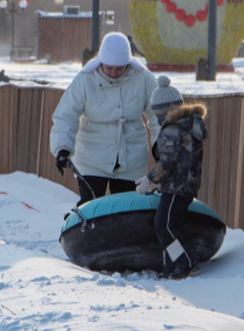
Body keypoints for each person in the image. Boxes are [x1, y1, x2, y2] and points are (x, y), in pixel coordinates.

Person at [49, 31, 160, 203]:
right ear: (101, 62)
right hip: (91, 157)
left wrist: (160, 145)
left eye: (119, 68)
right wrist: (62, 147)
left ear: (128, 63)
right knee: (91, 206)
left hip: (131, 159)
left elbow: (157, 116)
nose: (114, 73)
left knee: (126, 210)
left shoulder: (143, 78)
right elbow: (66, 115)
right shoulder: (85, 79)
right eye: (109, 68)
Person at [136, 76, 207, 278]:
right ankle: (170, 266)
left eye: (158, 114)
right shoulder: (190, 125)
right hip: (188, 184)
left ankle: (185, 262)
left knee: (163, 225)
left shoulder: (171, 131)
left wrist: (149, 181)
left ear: (163, 111)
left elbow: (167, 162)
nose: (158, 120)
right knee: (171, 225)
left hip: (175, 186)